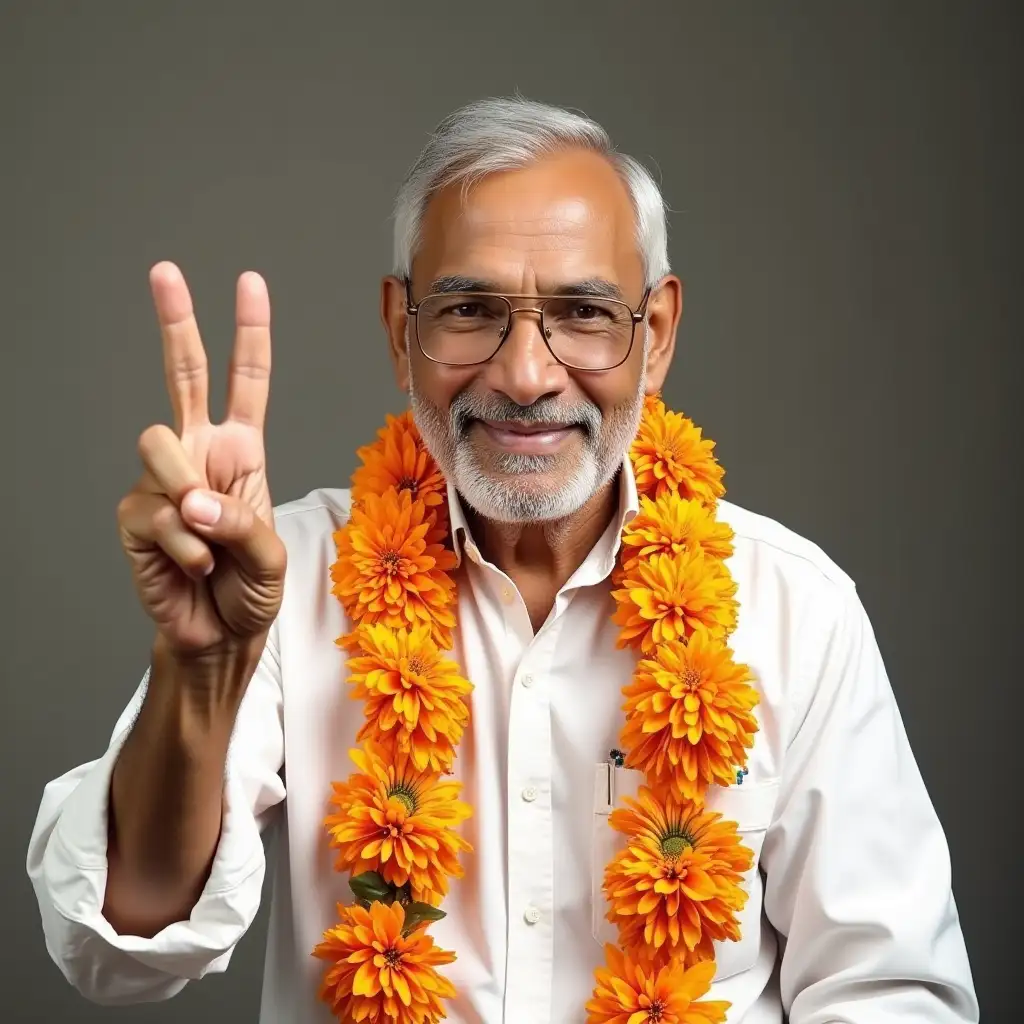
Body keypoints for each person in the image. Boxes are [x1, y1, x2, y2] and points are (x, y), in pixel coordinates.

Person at [26, 96, 978, 1024]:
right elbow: (119, 948)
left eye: (585, 313)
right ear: (402, 332)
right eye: (471, 308)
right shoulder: (282, 579)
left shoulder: (794, 609)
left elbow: (889, 991)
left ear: (657, 336)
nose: (526, 375)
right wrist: (201, 669)